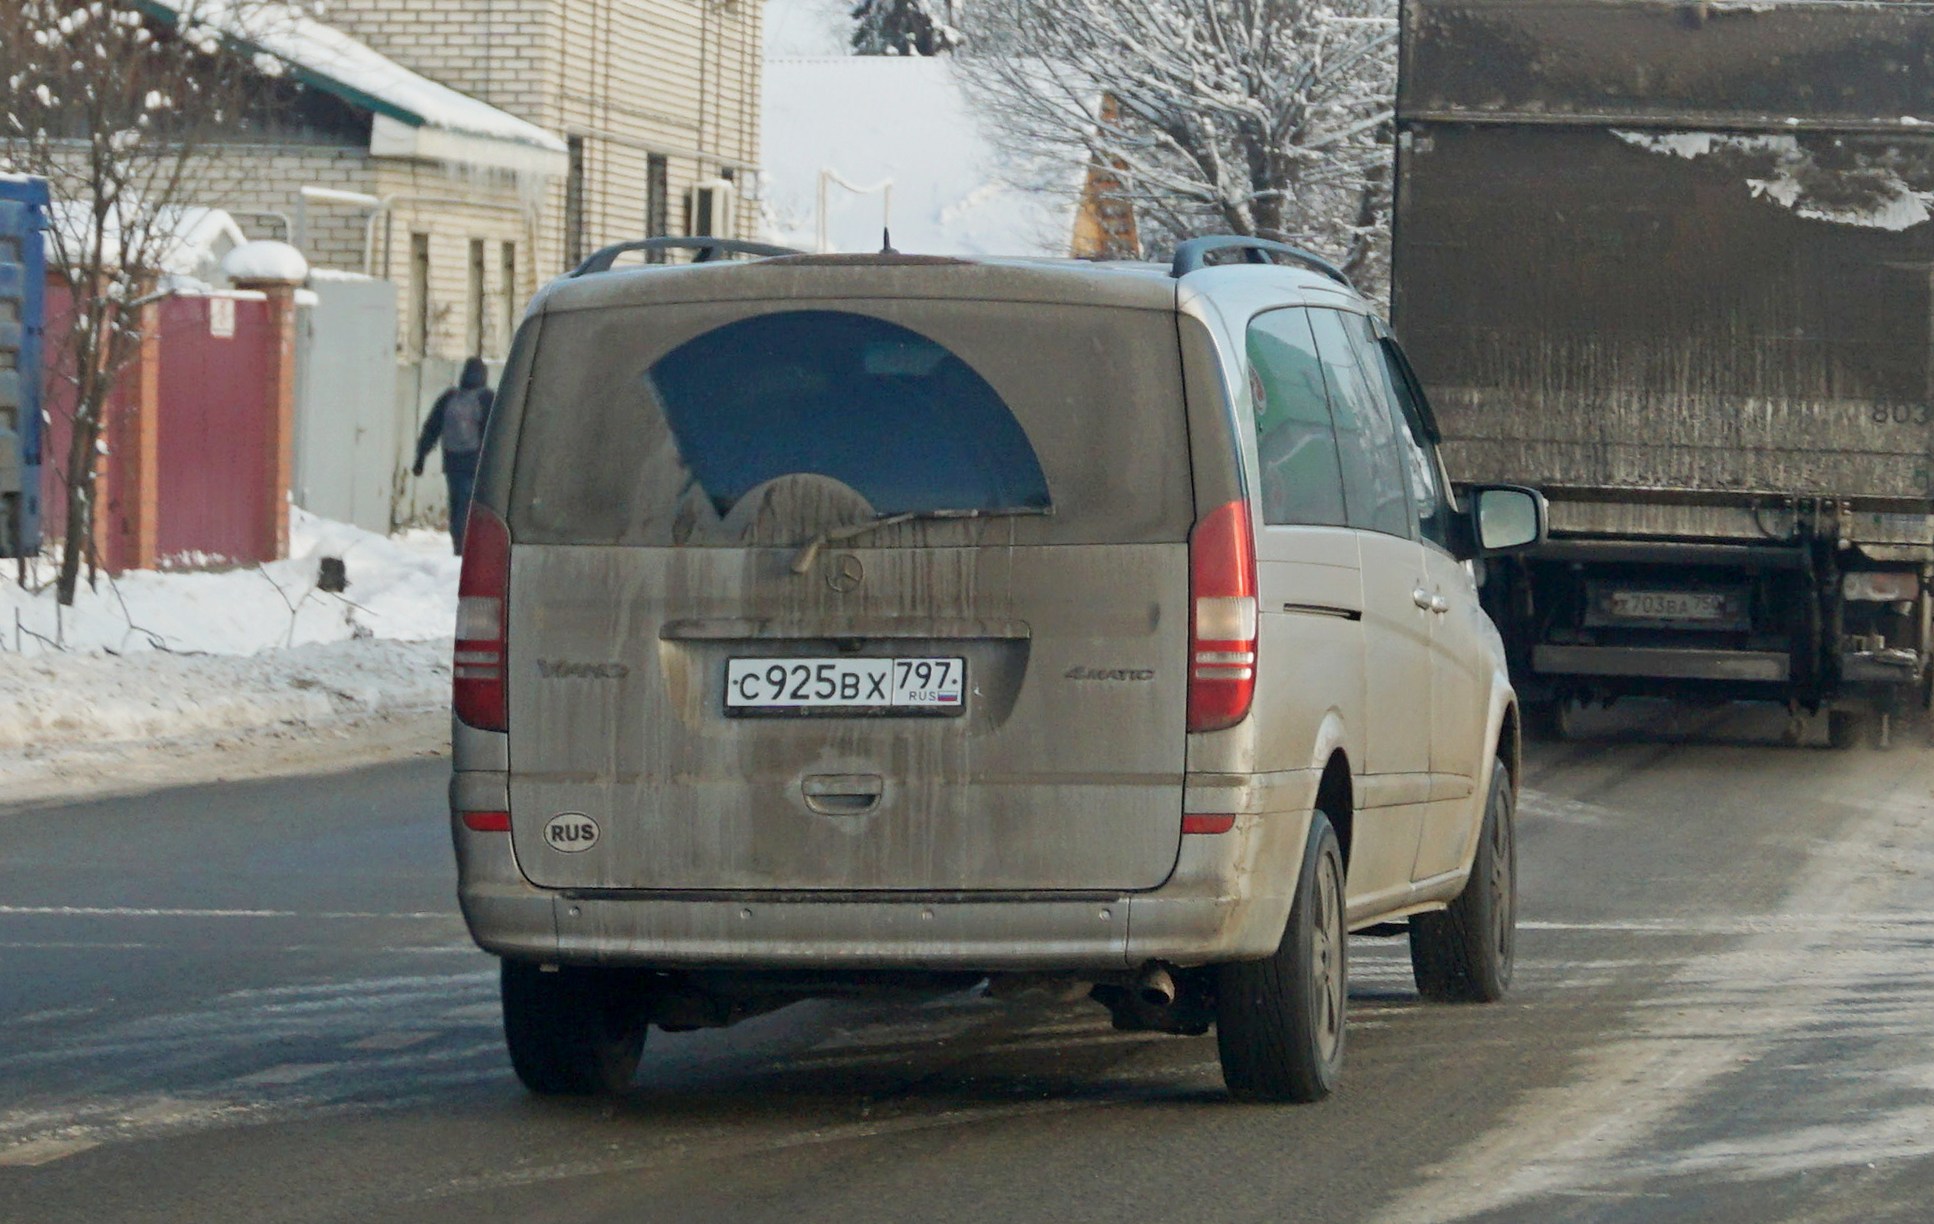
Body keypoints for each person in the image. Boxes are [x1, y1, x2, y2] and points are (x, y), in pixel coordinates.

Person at [413, 356, 494, 553]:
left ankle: (459, 545)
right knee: (471, 507)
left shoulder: (449, 397)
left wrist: (420, 457)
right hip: (477, 463)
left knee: (456, 504)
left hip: (452, 462)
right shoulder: (488, 398)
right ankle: (466, 548)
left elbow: (431, 429)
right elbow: (498, 433)